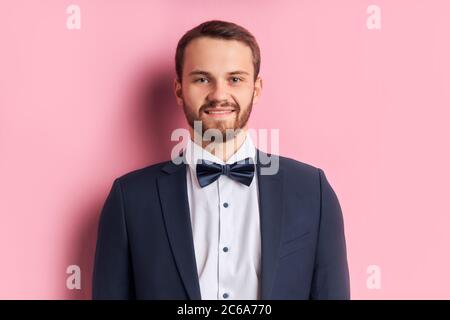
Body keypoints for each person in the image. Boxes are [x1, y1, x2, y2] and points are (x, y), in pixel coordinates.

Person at [92, 20, 350, 300]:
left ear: (257, 88)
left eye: (235, 79)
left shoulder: (313, 191)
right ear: (179, 90)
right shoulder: (129, 198)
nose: (218, 95)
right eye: (202, 79)